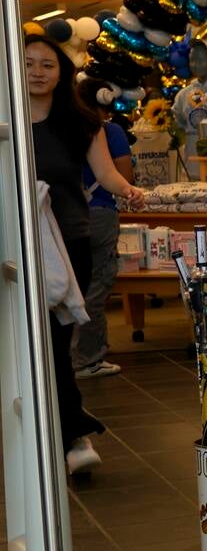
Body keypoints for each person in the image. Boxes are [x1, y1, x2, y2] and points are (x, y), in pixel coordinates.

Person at [22, 34, 147, 474]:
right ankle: (53, 430)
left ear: (62, 73)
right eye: (29, 62)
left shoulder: (81, 123)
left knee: (55, 341)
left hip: (69, 242)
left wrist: (130, 192)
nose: (38, 71)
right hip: (15, 245)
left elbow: (108, 175)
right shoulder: (6, 120)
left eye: (47, 64)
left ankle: (70, 435)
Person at [71, 94, 134, 379]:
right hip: (99, 212)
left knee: (67, 286)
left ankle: (63, 356)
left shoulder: (51, 126)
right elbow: (121, 173)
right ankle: (88, 357)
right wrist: (129, 192)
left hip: (58, 215)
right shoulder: (107, 130)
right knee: (95, 286)